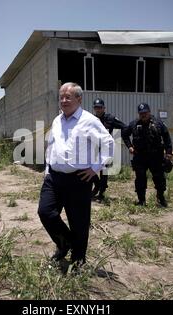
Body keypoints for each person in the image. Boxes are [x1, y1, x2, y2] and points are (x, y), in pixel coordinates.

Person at [37, 83, 114, 267]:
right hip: (54, 178)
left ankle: (78, 259)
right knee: (45, 212)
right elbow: (51, 147)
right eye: (61, 97)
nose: (63, 100)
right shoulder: (57, 120)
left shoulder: (89, 120)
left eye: (68, 97)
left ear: (79, 99)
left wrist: (95, 168)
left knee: (78, 222)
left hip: (79, 179)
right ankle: (65, 243)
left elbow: (109, 143)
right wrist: (47, 170)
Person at [122, 103, 173, 207]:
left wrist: (168, 153)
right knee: (140, 179)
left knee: (159, 178)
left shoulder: (158, 123)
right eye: (141, 113)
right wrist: (130, 146)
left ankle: (161, 198)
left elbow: (167, 138)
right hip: (140, 157)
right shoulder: (134, 124)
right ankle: (141, 201)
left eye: (145, 113)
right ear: (138, 114)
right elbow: (124, 134)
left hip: (156, 157)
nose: (143, 115)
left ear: (149, 112)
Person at [91, 98, 127, 202]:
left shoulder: (110, 118)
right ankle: (97, 186)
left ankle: (101, 194)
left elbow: (124, 127)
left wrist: (118, 140)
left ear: (104, 108)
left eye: (100, 107)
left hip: (106, 150)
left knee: (104, 172)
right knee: (90, 169)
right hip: (94, 149)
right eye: (96, 108)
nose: (98, 110)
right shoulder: (91, 119)